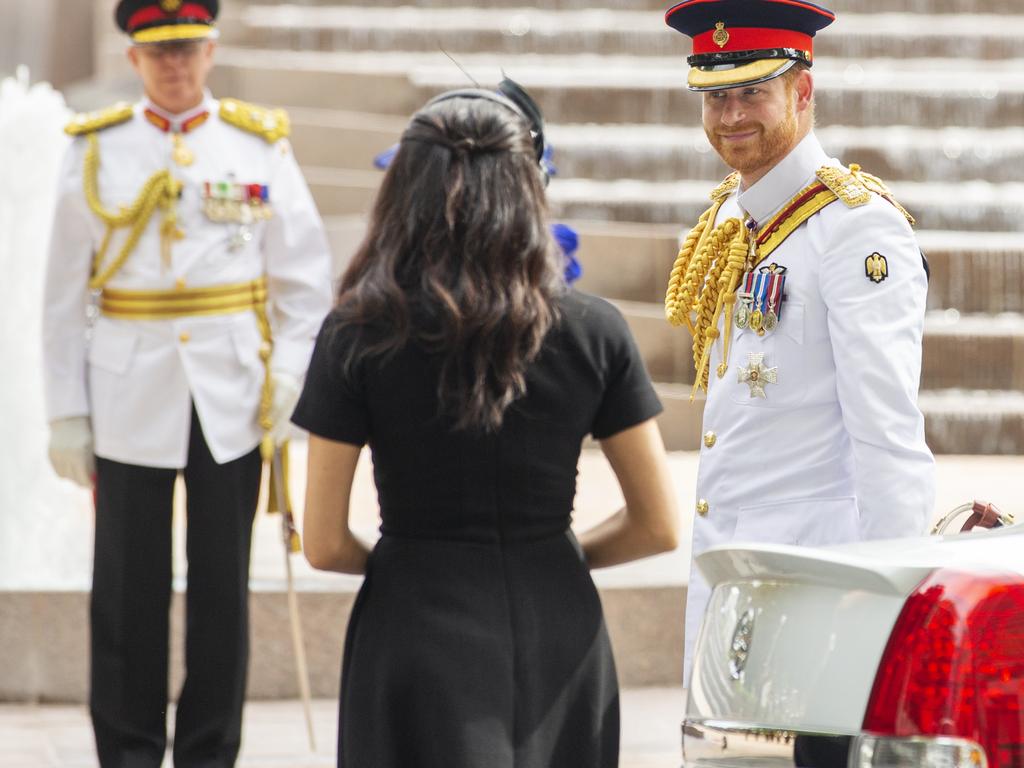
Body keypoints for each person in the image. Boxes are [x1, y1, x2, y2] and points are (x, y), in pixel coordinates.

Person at [292, 82, 680, 768]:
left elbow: (322, 543)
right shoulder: (596, 330)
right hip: (561, 625)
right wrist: (551, 559)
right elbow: (658, 525)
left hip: (412, 623)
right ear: (529, 189)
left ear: (403, 192)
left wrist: (407, 566)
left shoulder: (357, 333)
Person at [41, 1, 332, 765]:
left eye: (188, 48)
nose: (175, 64)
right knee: (127, 593)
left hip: (231, 397)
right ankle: (129, 753)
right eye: (159, 51)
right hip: (129, 395)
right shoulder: (94, 149)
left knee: (222, 597)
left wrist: (288, 382)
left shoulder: (258, 145)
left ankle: (210, 752)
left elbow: (306, 284)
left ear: (211, 50)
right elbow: (62, 299)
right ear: (135, 59)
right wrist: (65, 413)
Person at [661, 0, 936, 680]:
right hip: (736, 578)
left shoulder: (855, 228)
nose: (731, 117)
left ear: (803, 90)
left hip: (818, 592)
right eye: (716, 96)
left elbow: (888, 435)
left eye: (753, 91)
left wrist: (887, 621)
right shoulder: (732, 216)